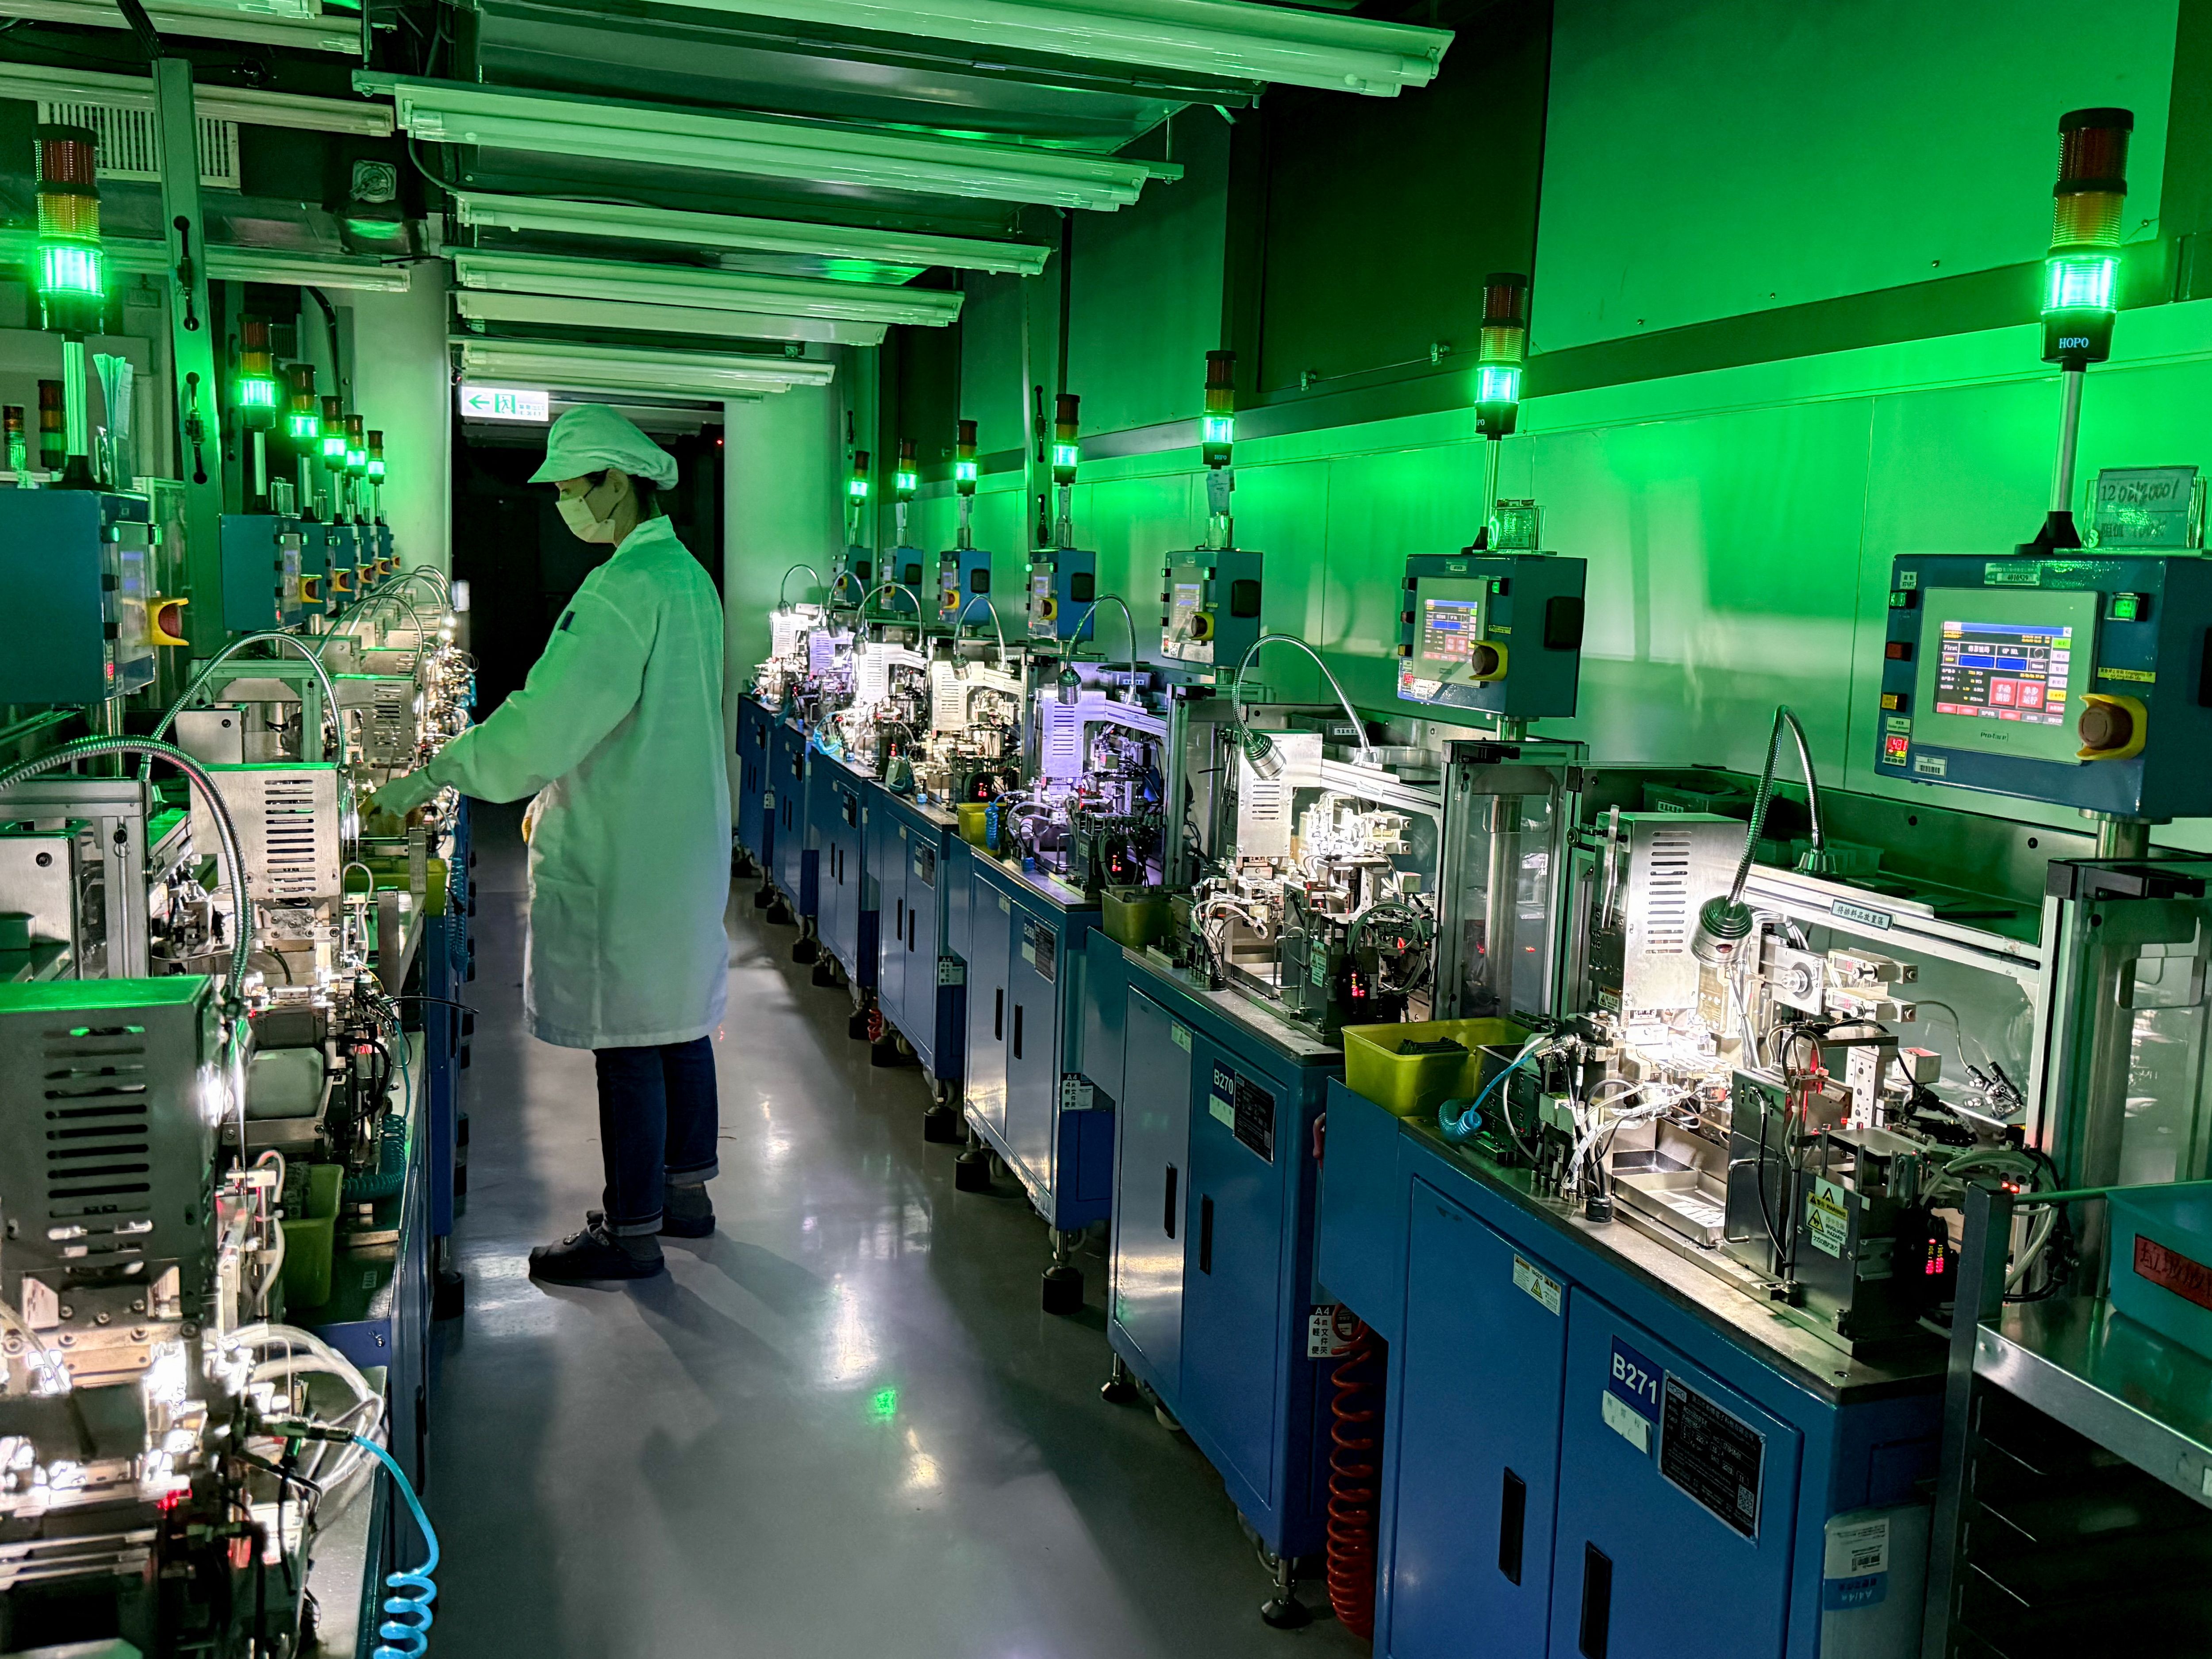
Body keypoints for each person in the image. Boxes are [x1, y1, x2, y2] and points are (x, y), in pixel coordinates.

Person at [370, 404, 731, 1283]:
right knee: (680, 1019)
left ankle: (632, 1235)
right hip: (677, 843)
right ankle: (685, 1197)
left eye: (574, 490)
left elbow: (542, 725)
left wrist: (431, 775)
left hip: (628, 853)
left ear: (618, 483)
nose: (568, 506)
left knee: (629, 1037)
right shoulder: (687, 580)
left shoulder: (622, 592)